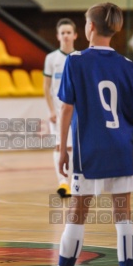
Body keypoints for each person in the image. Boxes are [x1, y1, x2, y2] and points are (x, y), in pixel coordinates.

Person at [29, 3, 133, 266]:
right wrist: (125, 132)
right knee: (124, 215)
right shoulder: (127, 64)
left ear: (90, 27)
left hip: (89, 151)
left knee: (77, 214)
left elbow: (67, 108)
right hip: (121, 150)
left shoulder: (76, 61)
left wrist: (62, 146)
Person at [43, 18, 78, 198]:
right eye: (62, 33)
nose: (65, 36)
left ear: (75, 35)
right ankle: (63, 183)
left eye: (68, 32)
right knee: (59, 146)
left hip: (75, 113)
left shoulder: (79, 58)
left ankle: (73, 181)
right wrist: (51, 111)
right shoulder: (51, 58)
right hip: (57, 112)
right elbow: (46, 87)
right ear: (58, 36)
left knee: (72, 148)